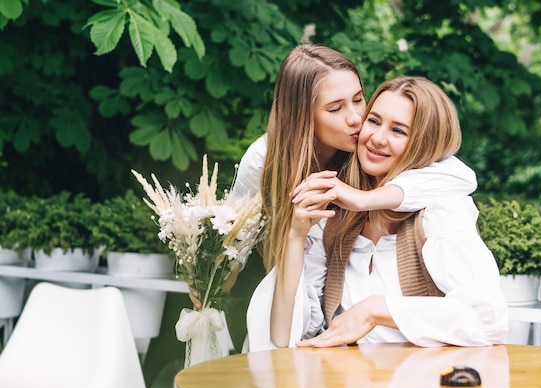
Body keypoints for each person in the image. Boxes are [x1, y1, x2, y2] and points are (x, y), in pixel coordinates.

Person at [188, 44, 478, 309]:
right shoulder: (265, 160)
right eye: (336, 108)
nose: (356, 118)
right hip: (278, 282)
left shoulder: (370, 148)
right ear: (302, 116)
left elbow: (460, 177)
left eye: (358, 99)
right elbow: (236, 238)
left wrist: (363, 199)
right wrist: (210, 286)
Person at [246, 76, 508, 351]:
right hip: (347, 386)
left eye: (398, 131)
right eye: (373, 121)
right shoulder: (336, 217)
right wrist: (296, 236)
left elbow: (488, 321)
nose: (377, 138)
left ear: (424, 145)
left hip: (427, 385)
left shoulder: (441, 211)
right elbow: (284, 336)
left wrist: (376, 310)